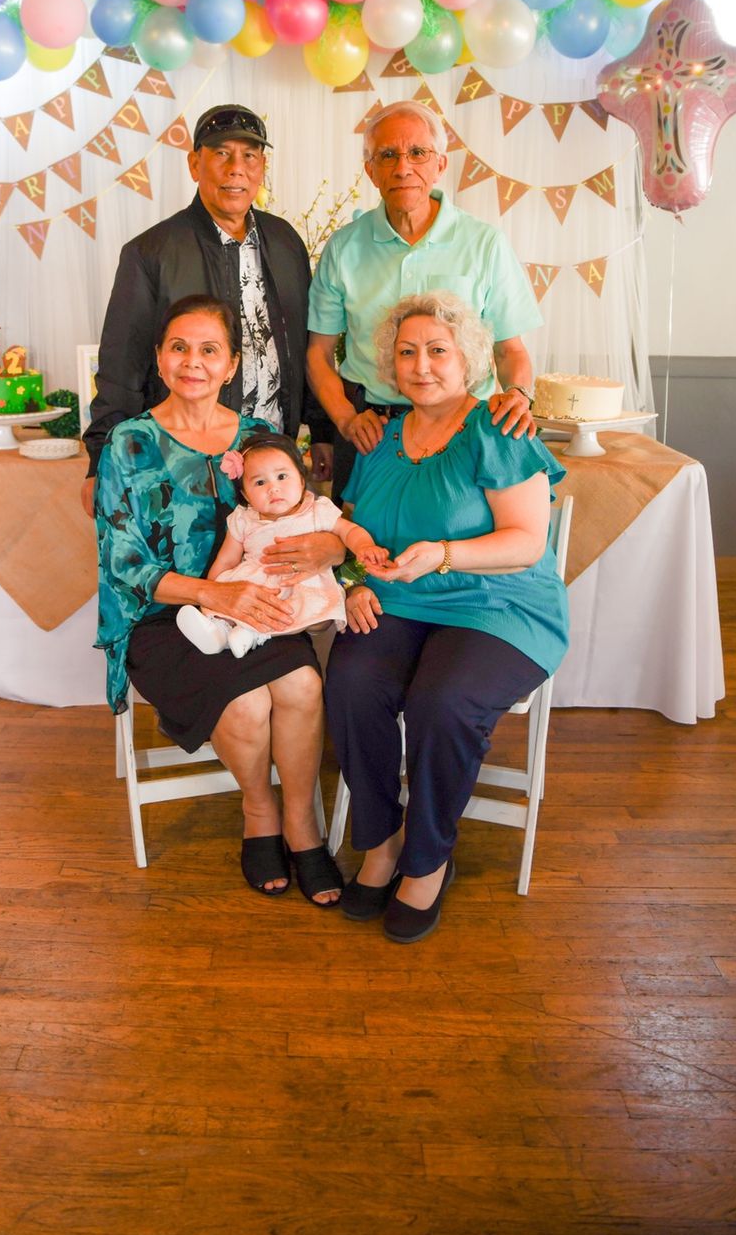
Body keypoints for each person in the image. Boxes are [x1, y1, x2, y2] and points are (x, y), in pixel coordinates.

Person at [324, 291, 569, 944]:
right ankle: (381, 840)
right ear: (390, 364)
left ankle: (429, 857)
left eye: (438, 350)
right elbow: (351, 532)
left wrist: (444, 553)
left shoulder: (498, 427)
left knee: (443, 700)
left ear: (468, 360)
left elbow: (526, 543)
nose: (421, 364)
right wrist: (352, 583)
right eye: (407, 352)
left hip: (499, 605)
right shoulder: (378, 438)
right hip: (400, 600)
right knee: (351, 681)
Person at [96, 294, 344, 906]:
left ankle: (302, 824)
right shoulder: (129, 442)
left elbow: (315, 516)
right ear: (159, 356)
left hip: (262, 608)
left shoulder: (261, 440)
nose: (193, 362)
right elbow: (124, 563)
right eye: (179, 348)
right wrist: (216, 592)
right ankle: (260, 813)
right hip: (164, 618)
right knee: (246, 703)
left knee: (302, 684)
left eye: (209, 350)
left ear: (232, 364)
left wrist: (332, 548)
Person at [81, 103, 332, 518]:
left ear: (262, 167)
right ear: (195, 164)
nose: (237, 169)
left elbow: (303, 343)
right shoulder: (151, 252)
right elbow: (120, 365)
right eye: (221, 154)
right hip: (182, 460)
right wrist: (99, 461)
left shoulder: (285, 242)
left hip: (272, 463)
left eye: (249, 156)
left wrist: (321, 430)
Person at [306, 98, 544, 498]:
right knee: (358, 536)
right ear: (370, 170)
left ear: (440, 164)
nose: (403, 168)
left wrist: (518, 395)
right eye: (388, 155)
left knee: (457, 533)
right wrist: (346, 420)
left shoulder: (485, 243)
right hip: (369, 431)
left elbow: (510, 350)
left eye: (418, 153)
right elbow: (318, 353)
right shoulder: (344, 248)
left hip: (463, 431)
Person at [176, 430, 387, 659]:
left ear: (302, 480)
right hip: (256, 582)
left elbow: (349, 531)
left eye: (282, 476)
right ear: (245, 495)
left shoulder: (316, 510)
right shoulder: (243, 518)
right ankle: (221, 629)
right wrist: (214, 594)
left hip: (300, 583)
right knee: (236, 602)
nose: (273, 488)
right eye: (260, 482)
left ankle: (255, 633)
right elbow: (227, 560)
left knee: (311, 615)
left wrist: (364, 547)